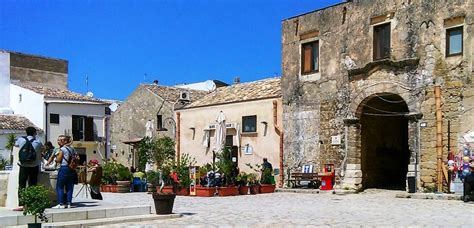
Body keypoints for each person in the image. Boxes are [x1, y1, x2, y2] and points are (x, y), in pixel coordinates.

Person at [14, 126, 43, 211]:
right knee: (33, 185)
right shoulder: (38, 142)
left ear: (26, 132)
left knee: (22, 185)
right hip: (34, 166)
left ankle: (22, 205)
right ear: (35, 133)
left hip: (23, 166)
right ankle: (31, 204)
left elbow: (15, 145)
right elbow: (42, 148)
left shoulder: (20, 140)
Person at [53, 135, 77, 209]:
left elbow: (59, 160)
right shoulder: (72, 149)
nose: (59, 142)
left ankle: (61, 203)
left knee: (59, 187)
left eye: (61, 140)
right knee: (69, 187)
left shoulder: (62, 149)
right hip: (71, 169)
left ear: (65, 141)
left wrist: (56, 159)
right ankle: (69, 203)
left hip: (64, 168)